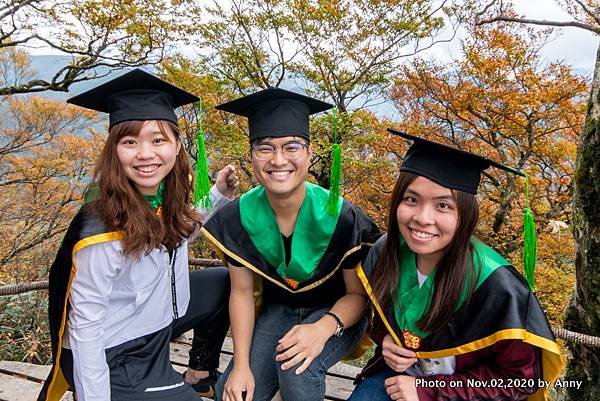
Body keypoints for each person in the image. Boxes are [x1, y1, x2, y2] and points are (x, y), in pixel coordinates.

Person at [38, 69, 238, 401]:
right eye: (130, 142)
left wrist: (217, 193)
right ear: (114, 151)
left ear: (176, 146)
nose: (145, 153)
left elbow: (175, 235)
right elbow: (86, 328)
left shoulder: (162, 199)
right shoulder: (101, 229)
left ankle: (199, 372)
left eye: (158, 140)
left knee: (223, 280)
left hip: (155, 323)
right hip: (116, 352)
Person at [348, 129, 564, 401]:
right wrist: (386, 340)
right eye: (411, 200)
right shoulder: (385, 252)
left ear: (465, 215)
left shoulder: (497, 287)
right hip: (399, 377)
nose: (422, 218)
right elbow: (380, 319)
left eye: (443, 206)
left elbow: (520, 379)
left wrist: (428, 391)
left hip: (465, 392)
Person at [200, 87, 381, 401]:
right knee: (232, 395)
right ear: (252, 155)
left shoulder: (342, 217)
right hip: (280, 310)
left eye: (292, 147)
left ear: (309, 154)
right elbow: (241, 292)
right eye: (265, 148)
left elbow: (357, 296)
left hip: (338, 313)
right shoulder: (237, 218)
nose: (278, 160)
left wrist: (322, 328)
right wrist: (241, 365)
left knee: (296, 371)